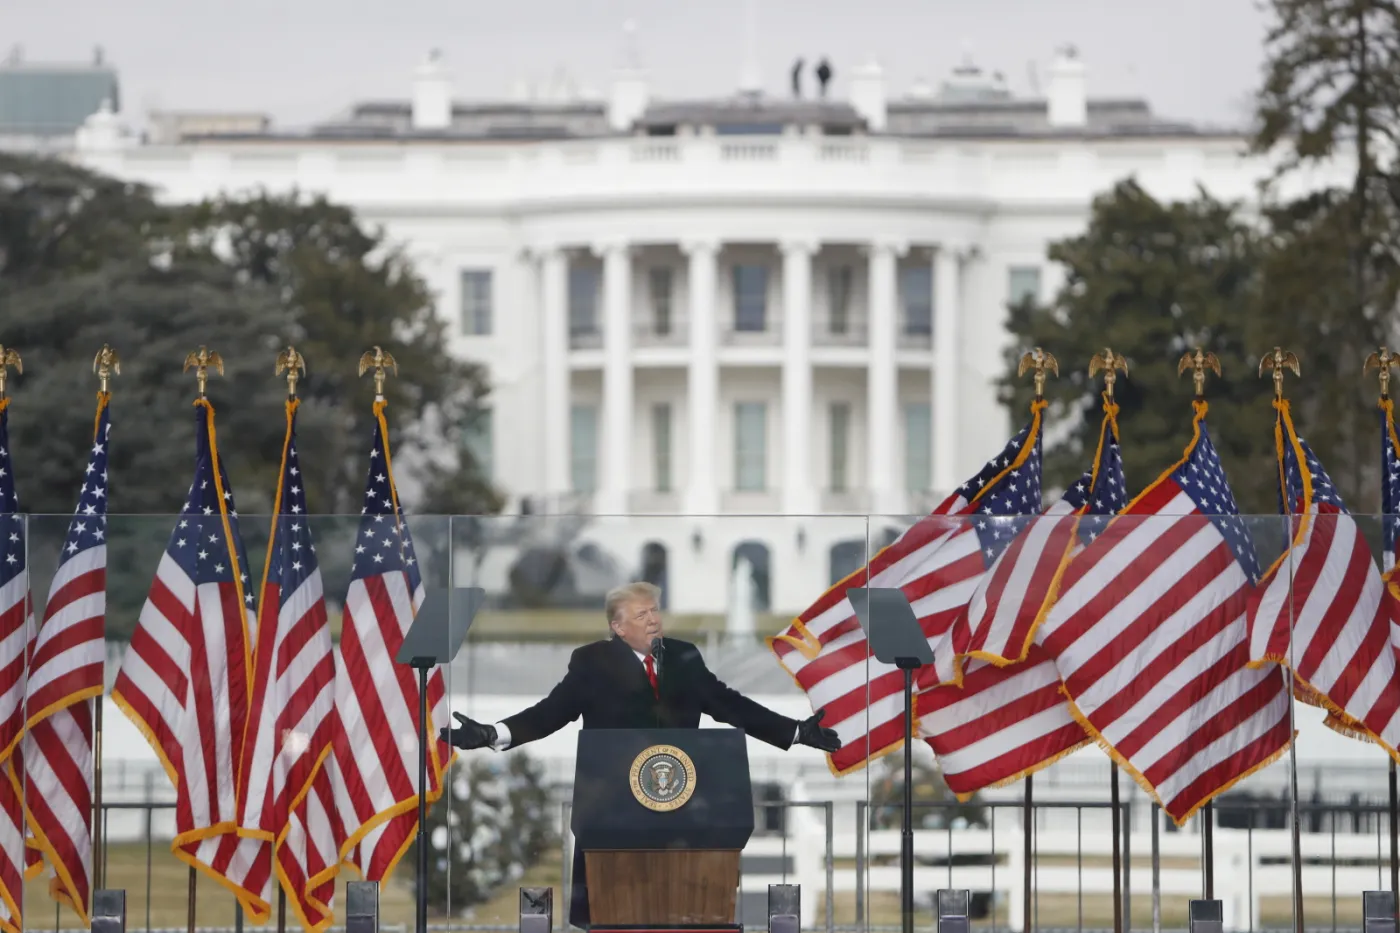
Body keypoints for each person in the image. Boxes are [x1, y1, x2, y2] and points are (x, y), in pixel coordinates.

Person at [441, 581, 841, 929]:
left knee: (681, 911)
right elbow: (550, 713)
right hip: (613, 814)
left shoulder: (684, 657)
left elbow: (729, 704)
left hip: (683, 811)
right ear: (618, 627)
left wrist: (794, 732)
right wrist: (494, 733)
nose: (653, 620)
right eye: (641, 614)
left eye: (654, 611)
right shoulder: (593, 662)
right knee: (615, 913)